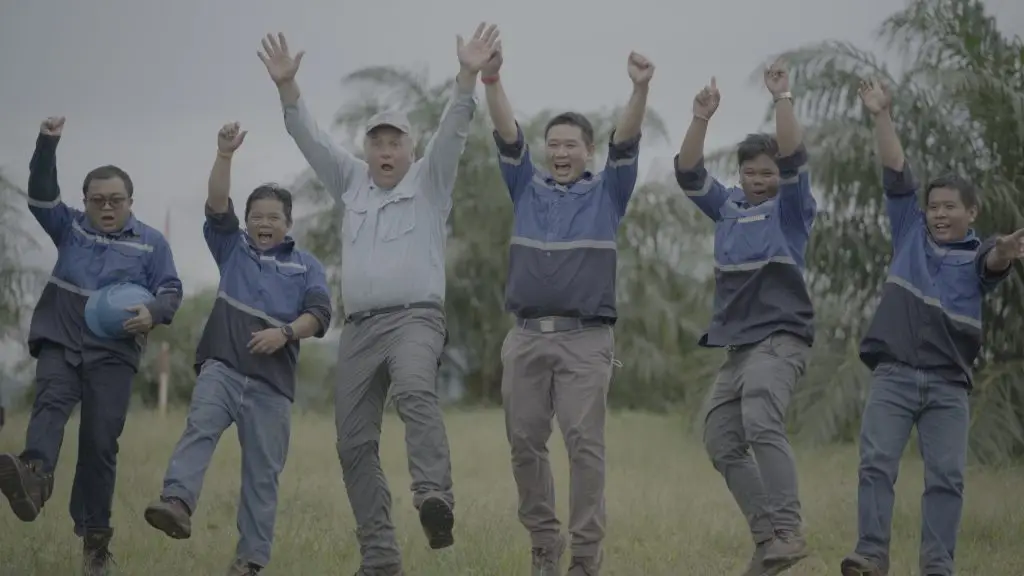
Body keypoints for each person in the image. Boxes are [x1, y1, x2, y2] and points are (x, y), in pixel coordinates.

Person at [258, 23, 495, 575]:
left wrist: (467, 74)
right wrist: (288, 88)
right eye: (377, 142)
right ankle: (380, 559)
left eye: (396, 142)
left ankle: (435, 498)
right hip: (359, 329)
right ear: (367, 150)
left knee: (415, 389)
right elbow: (310, 137)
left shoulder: (431, 182)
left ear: (411, 150)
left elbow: (456, 128)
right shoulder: (351, 183)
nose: (386, 151)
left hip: (416, 319)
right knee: (353, 444)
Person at [481, 34, 653, 576]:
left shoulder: (608, 192)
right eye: (552, 144)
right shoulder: (524, 187)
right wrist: (490, 79)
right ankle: (543, 541)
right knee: (524, 441)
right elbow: (507, 135)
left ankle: (584, 556)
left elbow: (626, 141)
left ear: (587, 151)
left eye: (570, 145)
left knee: (583, 444)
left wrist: (639, 88)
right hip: (526, 337)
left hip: (586, 340)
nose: (560, 153)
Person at [840, 80, 1023, 576]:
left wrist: (1006, 250)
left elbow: (994, 259)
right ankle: (871, 555)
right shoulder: (908, 235)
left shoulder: (978, 255)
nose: (940, 214)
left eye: (951, 207)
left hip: (948, 386)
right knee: (876, 464)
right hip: (894, 376)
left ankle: (937, 566)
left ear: (972, 213)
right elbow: (897, 173)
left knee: (946, 477)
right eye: (934, 206)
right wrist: (881, 115)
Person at [142, 122, 332, 576]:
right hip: (222, 368)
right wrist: (224, 155)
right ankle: (177, 502)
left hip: (272, 386)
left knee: (261, 477)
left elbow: (320, 316)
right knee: (199, 429)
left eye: (274, 217)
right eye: (257, 216)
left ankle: (249, 562)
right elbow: (216, 203)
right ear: (247, 221)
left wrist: (284, 333)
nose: (264, 223)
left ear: (288, 223)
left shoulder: (307, 267)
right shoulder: (233, 248)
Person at [0, 116, 184, 575]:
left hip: (113, 354)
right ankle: (33, 479)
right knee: (49, 407)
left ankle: (95, 544)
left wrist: (154, 313)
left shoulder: (150, 244)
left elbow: (170, 289)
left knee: (100, 445)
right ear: (84, 203)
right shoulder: (71, 229)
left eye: (115, 200)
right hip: (62, 340)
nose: (107, 207)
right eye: (98, 200)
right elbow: (41, 193)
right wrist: (47, 143)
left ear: (130, 202)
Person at [674, 62, 818, 576]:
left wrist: (782, 97)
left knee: (761, 421)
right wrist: (699, 117)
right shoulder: (728, 207)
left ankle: (788, 528)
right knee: (720, 437)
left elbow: (795, 156)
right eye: (751, 172)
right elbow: (688, 172)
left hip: (780, 338)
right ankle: (769, 540)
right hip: (737, 347)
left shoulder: (792, 209)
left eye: (768, 173)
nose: (759, 181)